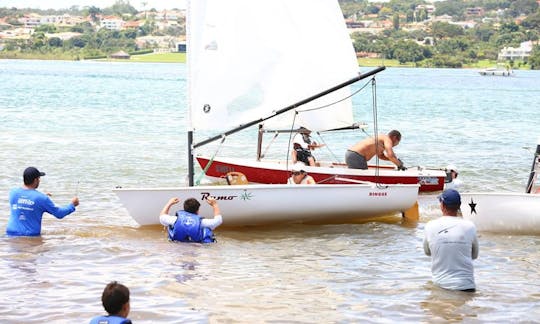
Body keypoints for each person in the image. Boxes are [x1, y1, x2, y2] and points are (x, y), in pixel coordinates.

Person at [423, 189, 479, 292]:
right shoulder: (470, 226)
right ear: (459, 205)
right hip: (467, 286)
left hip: (442, 287)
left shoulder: (430, 226)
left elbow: (427, 252)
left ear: (442, 205)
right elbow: (474, 255)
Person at [6, 166, 79, 237]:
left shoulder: (13, 192)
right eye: (39, 178)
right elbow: (59, 214)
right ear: (35, 180)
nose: (39, 180)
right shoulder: (42, 199)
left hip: (10, 234)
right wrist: (72, 205)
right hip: (29, 237)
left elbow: (26, 199)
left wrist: (40, 197)